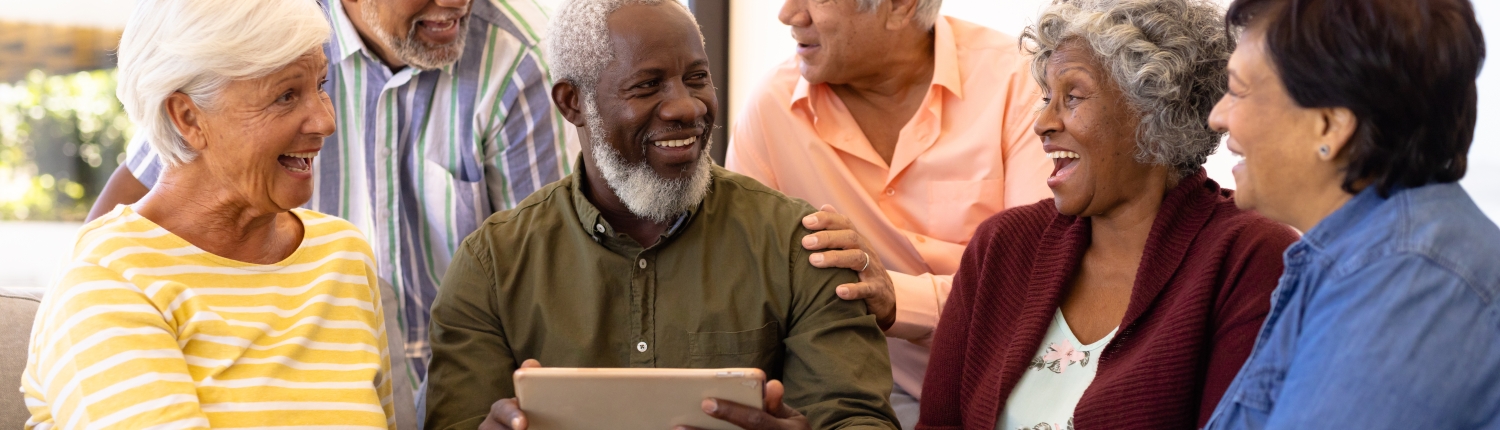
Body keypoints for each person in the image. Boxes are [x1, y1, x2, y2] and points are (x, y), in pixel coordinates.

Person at [422, 1, 901, 429]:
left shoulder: (800, 246)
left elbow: (858, 419)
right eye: (647, 85)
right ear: (573, 103)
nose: (686, 106)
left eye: (697, 78)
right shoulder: (492, 266)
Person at [86, 0, 576, 394]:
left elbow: (538, 271)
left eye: (321, 87)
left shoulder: (515, 52)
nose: (454, 2)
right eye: (286, 96)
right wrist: (101, 289)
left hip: (460, 373)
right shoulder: (260, 30)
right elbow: (165, 177)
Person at [917, 0, 1300, 428]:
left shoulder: (1250, 257)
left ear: (1155, 111)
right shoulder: (1002, 246)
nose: (1042, 123)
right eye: (1046, 97)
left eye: (1072, 97)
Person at [21, 0, 394, 428]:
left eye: (321, 85)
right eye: (286, 95)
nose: (325, 121)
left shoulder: (341, 254)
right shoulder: (108, 279)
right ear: (187, 117)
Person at [726, 0, 1053, 421]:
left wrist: (897, 298)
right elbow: (749, 289)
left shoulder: (1021, 80)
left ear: (901, 6)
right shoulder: (772, 108)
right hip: (864, 391)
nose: (789, 14)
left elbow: (1041, 277)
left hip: (1022, 380)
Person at [1203, 0, 1500, 427]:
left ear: (1330, 127)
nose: (1218, 117)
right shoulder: (1364, 257)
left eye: (1238, 90)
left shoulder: (1408, 280)